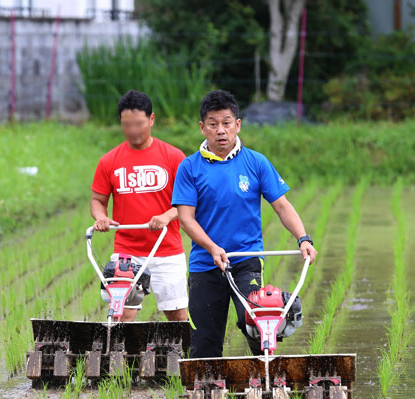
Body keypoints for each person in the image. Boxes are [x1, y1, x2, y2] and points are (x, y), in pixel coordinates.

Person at [171, 89, 317, 357]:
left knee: (256, 322)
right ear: (202, 128)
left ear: (237, 125)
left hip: (246, 259)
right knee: (204, 340)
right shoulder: (189, 167)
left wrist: (303, 238)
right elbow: (186, 219)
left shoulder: (256, 162)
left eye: (227, 123)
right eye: (213, 124)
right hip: (206, 262)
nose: (221, 131)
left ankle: (262, 377)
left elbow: (282, 206)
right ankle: (206, 394)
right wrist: (212, 247)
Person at [90, 90, 188, 322]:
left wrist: (166, 216)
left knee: (177, 316)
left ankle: (178, 358)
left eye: (139, 124)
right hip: (127, 250)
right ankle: (126, 359)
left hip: (167, 249)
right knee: (121, 313)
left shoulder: (173, 157)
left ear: (151, 119)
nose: (133, 130)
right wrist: (100, 217)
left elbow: (188, 203)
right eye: (127, 124)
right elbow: (97, 200)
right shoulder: (109, 160)